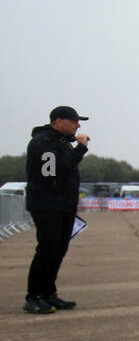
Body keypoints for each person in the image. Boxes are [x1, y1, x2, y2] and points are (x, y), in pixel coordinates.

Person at [23, 106, 90, 314]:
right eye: (75, 121)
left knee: (59, 250)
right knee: (46, 249)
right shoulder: (43, 142)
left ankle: (48, 293)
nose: (78, 125)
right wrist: (80, 149)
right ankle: (33, 296)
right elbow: (52, 172)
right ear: (59, 121)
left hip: (64, 206)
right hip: (47, 205)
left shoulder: (61, 144)